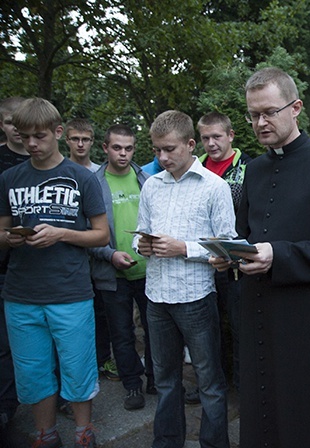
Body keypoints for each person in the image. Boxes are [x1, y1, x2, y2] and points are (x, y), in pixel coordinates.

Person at [210, 67, 310, 448]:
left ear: (295, 108)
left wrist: (278, 255)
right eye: (253, 114)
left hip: (307, 321)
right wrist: (230, 255)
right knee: (262, 414)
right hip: (257, 311)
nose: (260, 122)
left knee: (306, 418)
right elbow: (246, 236)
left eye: (269, 112)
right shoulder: (255, 170)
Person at [0, 98, 109, 448]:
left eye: (39, 136)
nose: (32, 143)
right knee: (32, 373)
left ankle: (82, 432)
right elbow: (1, 232)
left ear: (58, 133)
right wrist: (12, 239)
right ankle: (45, 434)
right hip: (21, 294)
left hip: (70, 292)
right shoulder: (9, 178)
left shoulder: (82, 178)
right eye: (25, 136)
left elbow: (102, 234)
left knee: (78, 368)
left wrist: (61, 233)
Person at [134, 110, 235, 448]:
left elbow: (228, 246)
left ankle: (214, 444)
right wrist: (143, 243)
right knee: (164, 380)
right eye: (157, 150)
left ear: (191, 145)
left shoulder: (215, 187)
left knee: (209, 382)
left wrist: (182, 248)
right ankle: (166, 443)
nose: (162, 157)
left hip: (195, 298)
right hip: (156, 297)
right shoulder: (151, 185)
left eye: (170, 149)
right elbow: (138, 237)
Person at [88, 124, 155, 412]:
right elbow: (86, 233)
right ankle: (132, 386)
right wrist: (110, 254)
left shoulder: (146, 178)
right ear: (105, 148)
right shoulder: (93, 182)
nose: (123, 153)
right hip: (112, 273)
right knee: (122, 332)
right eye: (117, 147)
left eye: (129, 148)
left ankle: (155, 379)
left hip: (149, 270)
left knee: (156, 329)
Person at [195, 111, 252, 395]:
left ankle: (243, 388)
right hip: (202, 261)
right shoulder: (195, 170)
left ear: (230, 135)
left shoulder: (248, 168)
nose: (211, 143)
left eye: (217, 136)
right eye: (205, 138)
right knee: (207, 330)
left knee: (240, 328)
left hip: (237, 265)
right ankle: (212, 385)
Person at [65, 118, 118, 383]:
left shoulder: (99, 173)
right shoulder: (59, 171)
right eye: (75, 139)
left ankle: (103, 360)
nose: (81, 144)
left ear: (93, 142)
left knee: (102, 313)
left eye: (85, 139)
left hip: (100, 256)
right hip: (69, 258)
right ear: (67, 140)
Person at [0, 96, 29, 446]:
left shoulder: (65, 170)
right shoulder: (5, 172)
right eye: (12, 123)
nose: (23, 135)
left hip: (36, 272)